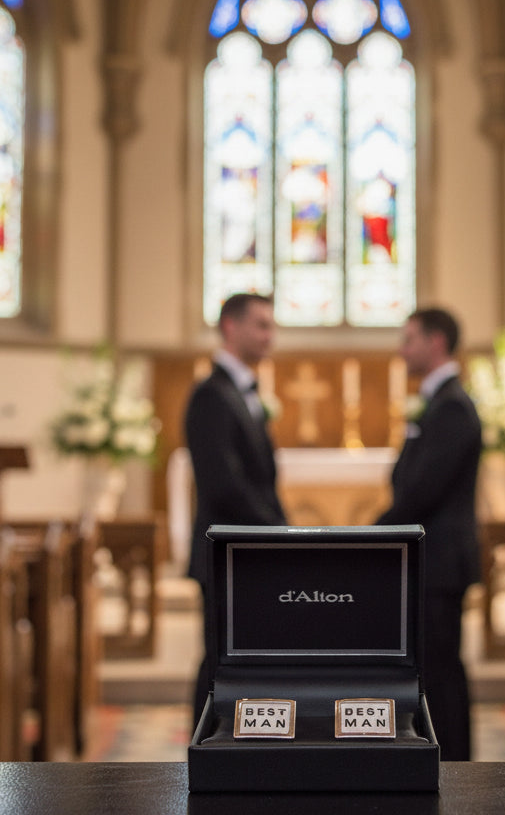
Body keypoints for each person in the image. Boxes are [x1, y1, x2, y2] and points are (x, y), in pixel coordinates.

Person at [375, 307, 482, 761]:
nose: (403, 349)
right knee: (434, 669)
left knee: (442, 671)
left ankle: (454, 764)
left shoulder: (453, 407)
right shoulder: (440, 403)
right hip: (431, 560)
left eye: (410, 339)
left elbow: (422, 489)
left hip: (439, 562)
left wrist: (373, 533)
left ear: (436, 342)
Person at [184, 292, 287, 729]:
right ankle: (205, 744)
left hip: (247, 551)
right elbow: (223, 484)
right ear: (230, 326)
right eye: (261, 325)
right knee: (219, 660)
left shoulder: (240, 392)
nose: (270, 336)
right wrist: (278, 533)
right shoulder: (211, 395)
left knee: (245, 657)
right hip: (226, 551)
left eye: (271, 325)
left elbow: (261, 479)